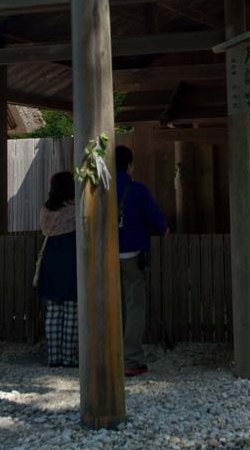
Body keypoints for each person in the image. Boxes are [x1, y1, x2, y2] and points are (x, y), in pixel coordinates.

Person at [115, 145, 168, 377]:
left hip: (105, 257)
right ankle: (131, 359)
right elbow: (158, 222)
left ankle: (104, 356)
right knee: (134, 307)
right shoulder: (137, 190)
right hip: (133, 255)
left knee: (107, 306)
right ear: (129, 166)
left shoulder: (101, 189)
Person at [37, 171, 78, 368]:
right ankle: (69, 357)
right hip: (71, 256)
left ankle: (53, 356)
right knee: (71, 308)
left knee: (53, 309)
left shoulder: (46, 209)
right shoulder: (75, 209)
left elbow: (44, 230)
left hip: (51, 257)